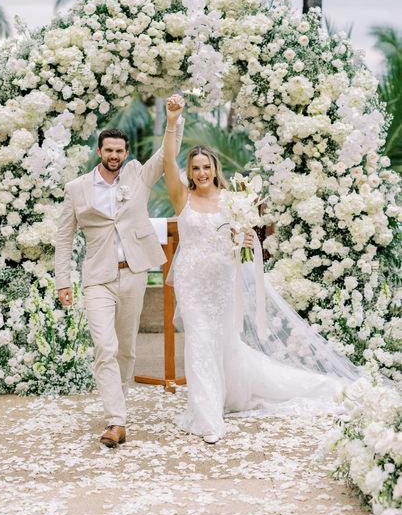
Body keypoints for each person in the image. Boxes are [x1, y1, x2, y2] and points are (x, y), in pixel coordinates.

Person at [163, 96, 360, 445]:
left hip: (223, 282)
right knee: (199, 340)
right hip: (192, 282)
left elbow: (243, 236)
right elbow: (166, 162)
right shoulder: (183, 197)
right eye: (195, 168)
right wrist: (173, 122)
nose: (201, 173)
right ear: (190, 172)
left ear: (215, 169)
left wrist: (247, 242)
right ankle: (208, 418)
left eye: (206, 167)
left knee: (224, 342)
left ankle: (232, 395)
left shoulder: (232, 199)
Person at [55, 97, 184, 448]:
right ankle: (116, 421)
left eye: (119, 151)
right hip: (97, 278)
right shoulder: (77, 189)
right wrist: (62, 281)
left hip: (134, 274)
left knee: (126, 348)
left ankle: (118, 403)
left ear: (125, 153)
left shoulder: (137, 176)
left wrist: (173, 119)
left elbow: (166, 155)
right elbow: (64, 238)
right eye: (108, 150)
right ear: (99, 151)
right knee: (105, 347)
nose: (114, 156)